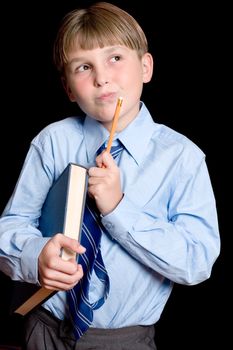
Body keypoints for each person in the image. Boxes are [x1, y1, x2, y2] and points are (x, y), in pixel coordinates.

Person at [0, 2, 220, 350]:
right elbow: (10, 226)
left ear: (145, 67)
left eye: (115, 58)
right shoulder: (52, 141)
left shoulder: (182, 158)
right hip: (44, 329)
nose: (102, 77)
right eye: (84, 67)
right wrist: (35, 255)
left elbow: (196, 261)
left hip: (125, 340)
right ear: (69, 89)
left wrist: (118, 208)